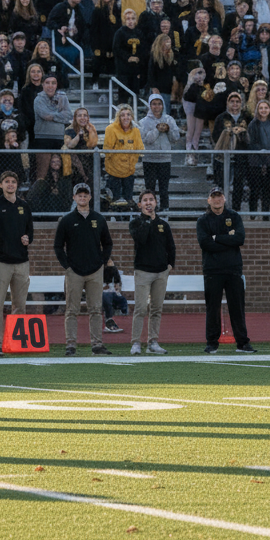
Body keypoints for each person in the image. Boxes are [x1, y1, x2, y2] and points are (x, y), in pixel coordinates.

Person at [54, 182, 113, 357]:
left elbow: (108, 243)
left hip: (95, 270)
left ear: (90, 197)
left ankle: (97, 344)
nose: (82, 197)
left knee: (95, 309)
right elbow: (58, 246)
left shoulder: (99, 219)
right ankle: (70, 345)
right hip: (75, 271)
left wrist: (102, 261)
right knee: (72, 310)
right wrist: (67, 266)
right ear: (74, 197)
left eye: (85, 194)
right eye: (79, 195)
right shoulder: (67, 220)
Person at [0, 170, 33, 358]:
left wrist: (28, 239)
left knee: (20, 305)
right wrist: (2, 247)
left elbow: (30, 232)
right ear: (1, 185)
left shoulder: (24, 207)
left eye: (13, 181)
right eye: (7, 181)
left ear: (17, 185)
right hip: (2, 262)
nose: (10, 184)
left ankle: (16, 342)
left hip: (21, 262)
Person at [197, 186, 255, 354]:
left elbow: (240, 238)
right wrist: (228, 240)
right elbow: (205, 243)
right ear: (209, 200)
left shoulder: (234, 216)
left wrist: (217, 238)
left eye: (219, 196)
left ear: (224, 198)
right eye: (213, 197)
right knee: (212, 307)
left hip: (233, 269)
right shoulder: (203, 221)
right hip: (212, 270)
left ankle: (243, 343)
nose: (217, 200)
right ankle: (212, 343)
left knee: (237, 307)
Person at [129, 190, 175, 355]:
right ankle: (136, 342)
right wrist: (148, 220)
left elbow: (171, 246)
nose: (149, 203)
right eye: (145, 200)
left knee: (156, 309)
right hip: (143, 271)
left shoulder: (164, 224)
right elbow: (141, 238)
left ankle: (153, 342)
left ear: (156, 203)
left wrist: (170, 265)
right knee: (140, 308)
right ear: (140, 204)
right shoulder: (136, 223)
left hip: (161, 273)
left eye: (151, 200)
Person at [139, 96, 180, 212]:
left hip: (165, 159)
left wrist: (168, 129)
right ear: (149, 105)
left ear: (163, 105)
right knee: (150, 187)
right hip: (149, 159)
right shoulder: (143, 122)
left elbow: (176, 138)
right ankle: (150, 209)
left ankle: (165, 209)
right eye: (154, 104)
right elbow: (146, 140)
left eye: (159, 104)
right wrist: (157, 130)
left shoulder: (169, 119)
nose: (157, 107)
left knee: (164, 188)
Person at [103, 104, 142, 208]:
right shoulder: (110, 129)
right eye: (123, 115)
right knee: (114, 201)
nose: (126, 117)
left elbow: (140, 149)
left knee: (128, 200)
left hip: (129, 171)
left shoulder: (136, 131)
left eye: (128, 115)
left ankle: (126, 220)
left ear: (132, 117)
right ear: (118, 117)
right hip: (114, 171)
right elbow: (107, 150)